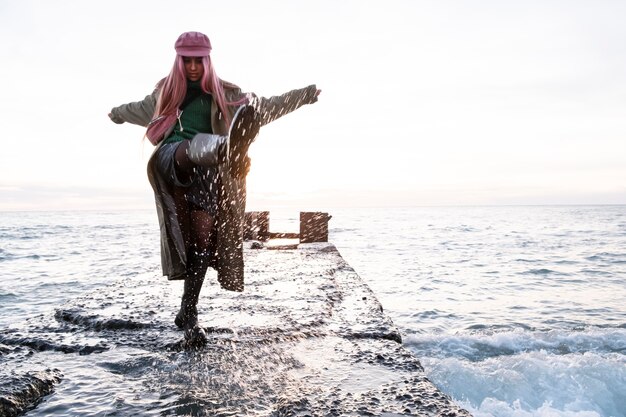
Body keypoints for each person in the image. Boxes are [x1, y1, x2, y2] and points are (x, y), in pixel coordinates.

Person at [109, 31, 320, 345]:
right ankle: (226, 149)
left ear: (207, 61)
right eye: (187, 60)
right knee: (193, 147)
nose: (193, 67)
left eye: (199, 60)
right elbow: (133, 108)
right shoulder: (164, 95)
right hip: (172, 160)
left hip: (209, 174)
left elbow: (268, 106)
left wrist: (304, 95)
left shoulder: (228, 95)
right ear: (179, 61)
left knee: (203, 243)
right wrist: (116, 114)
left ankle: (188, 312)